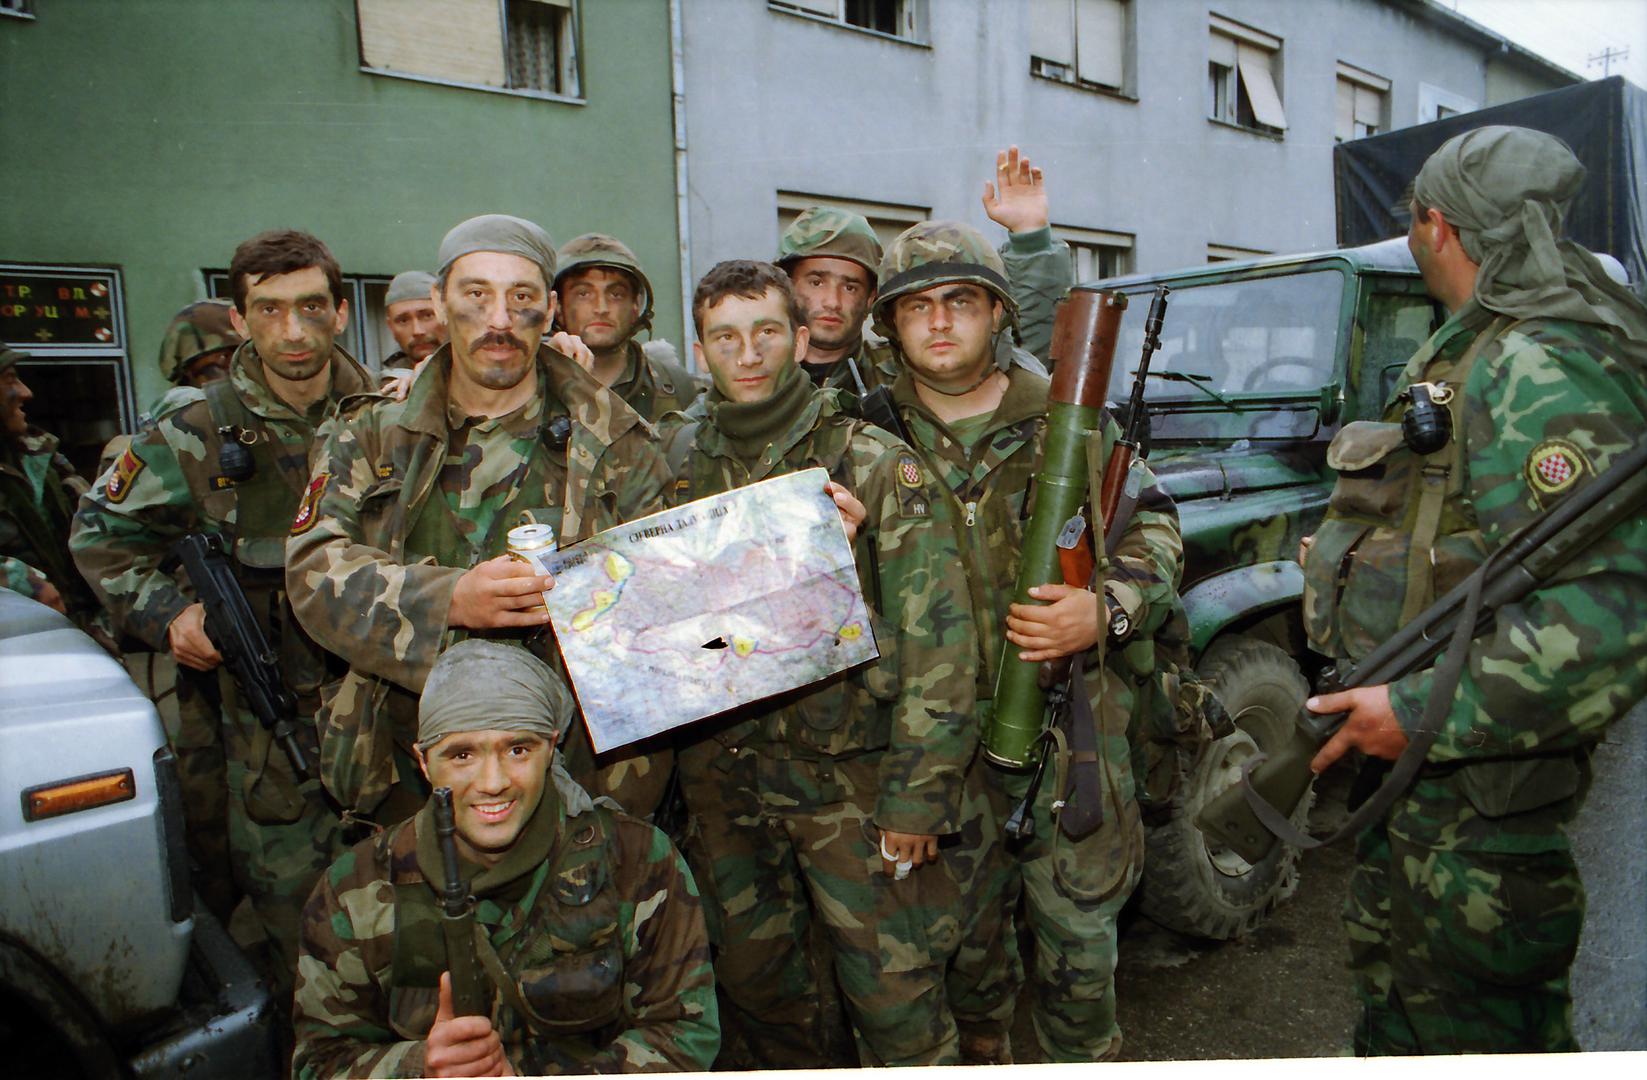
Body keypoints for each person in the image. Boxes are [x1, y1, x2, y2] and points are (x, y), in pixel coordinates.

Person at [1300, 126, 1647, 1054]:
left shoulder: (1535, 362)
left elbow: (1609, 615)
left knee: (1482, 1042)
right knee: (1401, 1018)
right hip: (1427, 799)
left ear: (1437, 225)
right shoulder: (1480, 346)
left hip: (1475, 816)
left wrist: (1416, 713)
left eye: (1411, 217)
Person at [876, 221, 1183, 1062]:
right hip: (930, 748)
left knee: (1079, 960)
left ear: (997, 314)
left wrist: (1105, 608)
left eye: (961, 301)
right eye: (916, 307)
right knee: (966, 970)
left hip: (1066, 735)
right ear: (891, 326)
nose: (939, 323)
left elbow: (1153, 531)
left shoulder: (1068, 422)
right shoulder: (863, 436)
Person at [663, 259, 977, 1067]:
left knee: (894, 1000)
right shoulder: (671, 463)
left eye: (768, 331)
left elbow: (940, 641)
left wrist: (917, 799)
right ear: (701, 351)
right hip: (725, 781)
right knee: (762, 997)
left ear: (802, 339)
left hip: (852, 784)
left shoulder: (872, 463)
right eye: (725, 337)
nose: (749, 353)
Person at [284, 213, 674, 835]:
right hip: (407, 772)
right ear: (439, 303)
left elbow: (667, 607)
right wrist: (451, 600)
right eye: (476, 295)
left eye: (520, 297)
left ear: (548, 310)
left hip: (581, 780)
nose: (498, 319)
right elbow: (311, 574)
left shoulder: (619, 440)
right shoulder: (371, 435)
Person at [70, 229, 376, 1001]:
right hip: (270, 741)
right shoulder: (193, 432)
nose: (293, 331)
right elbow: (100, 538)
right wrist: (171, 614)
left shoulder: (390, 415)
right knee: (303, 947)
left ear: (340, 313)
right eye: (269, 311)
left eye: (311, 307)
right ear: (238, 320)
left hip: (388, 723)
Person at [291, 639, 720, 1077]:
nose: (493, 782)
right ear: (423, 761)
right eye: (462, 755)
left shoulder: (635, 860)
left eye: (518, 749)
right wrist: (419, 1066)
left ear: (551, 748)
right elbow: (319, 1061)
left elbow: (684, 1031)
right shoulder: (355, 890)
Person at [774, 145, 1071, 406]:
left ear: (871, 299)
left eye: (850, 287)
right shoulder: (752, 371)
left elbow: (1015, 347)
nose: (832, 301)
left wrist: (1030, 241)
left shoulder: (906, 368)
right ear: (786, 287)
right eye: (816, 282)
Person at [552, 233, 705, 422]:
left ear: (635, 306)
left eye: (616, 294)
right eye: (583, 294)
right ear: (557, 307)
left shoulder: (683, 392)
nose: (601, 308)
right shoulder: (530, 386)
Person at [0, 347, 100, 624]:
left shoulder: (40, 455)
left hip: (76, 635)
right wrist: (17, 580)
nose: (25, 392)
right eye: (9, 379)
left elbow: (102, 527)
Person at [380, 270, 447, 373]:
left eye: (427, 316)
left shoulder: (476, 374)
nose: (417, 331)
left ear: (447, 315)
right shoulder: (385, 385)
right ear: (391, 327)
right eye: (403, 321)